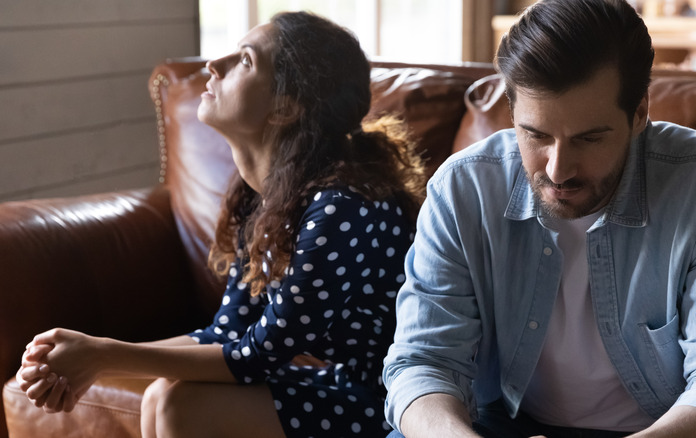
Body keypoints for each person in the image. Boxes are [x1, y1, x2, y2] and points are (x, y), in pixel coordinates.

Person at [16, 11, 426, 438]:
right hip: (347, 387)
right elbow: (226, 332)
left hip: (398, 405)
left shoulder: (342, 208)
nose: (214, 64)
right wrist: (90, 361)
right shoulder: (268, 197)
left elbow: (257, 356)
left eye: (245, 61)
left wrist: (101, 355)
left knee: (180, 405)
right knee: (164, 394)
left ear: (286, 106)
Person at [383, 0, 696, 437]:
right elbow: (423, 361)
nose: (557, 169)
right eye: (535, 135)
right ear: (513, 113)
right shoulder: (462, 188)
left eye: (589, 138)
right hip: (498, 425)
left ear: (640, 113)